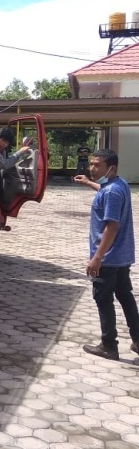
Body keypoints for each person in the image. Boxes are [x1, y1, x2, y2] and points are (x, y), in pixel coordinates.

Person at [73, 148, 138, 360]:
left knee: (103, 298)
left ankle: (109, 345)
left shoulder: (112, 192)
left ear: (111, 167)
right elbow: (103, 190)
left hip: (108, 258)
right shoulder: (118, 184)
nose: (92, 168)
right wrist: (88, 183)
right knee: (125, 296)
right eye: (91, 164)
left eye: (97, 165)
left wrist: (97, 258)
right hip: (121, 256)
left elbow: (111, 226)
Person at [0, 127, 33, 206]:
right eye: (3, 141)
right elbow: (4, 164)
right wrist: (20, 152)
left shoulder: (2, 151)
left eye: (6, 143)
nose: (4, 144)